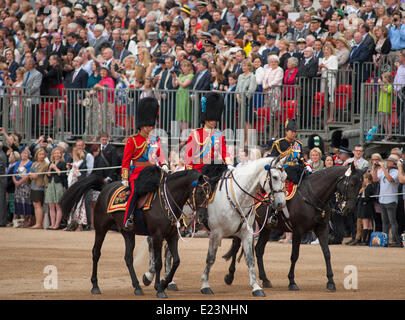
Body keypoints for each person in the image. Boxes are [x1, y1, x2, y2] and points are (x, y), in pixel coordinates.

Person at [184, 92, 233, 226]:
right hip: (199, 170)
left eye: (215, 119)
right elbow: (188, 155)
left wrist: (230, 164)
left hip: (215, 170)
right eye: (211, 119)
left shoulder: (219, 135)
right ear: (205, 118)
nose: (214, 121)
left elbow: (224, 153)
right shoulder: (196, 134)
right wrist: (189, 171)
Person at [121, 97, 169, 231]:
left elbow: (160, 155)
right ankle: (128, 218)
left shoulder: (155, 139)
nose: (151, 128)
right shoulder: (132, 140)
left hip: (154, 171)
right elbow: (125, 161)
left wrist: (164, 164)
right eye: (149, 125)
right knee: (134, 192)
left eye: (152, 125)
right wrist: (125, 178)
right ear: (141, 125)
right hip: (138, 172)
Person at [269, 119, 311, 225]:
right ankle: (273, 212)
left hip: (296, 170)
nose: (293, 134)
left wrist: (307, 165)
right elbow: (274, 160)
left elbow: (301, 158)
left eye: (295, 132)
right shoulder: (279, 143)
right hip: (283, 171)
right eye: (291, 131)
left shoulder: (298, 144)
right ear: (286, 131)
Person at [371, 154, 403, 247]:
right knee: (384, 222)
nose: (387, 162)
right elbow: (375, 179)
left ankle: (395, 240)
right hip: (383, 199)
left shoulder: (395, 172)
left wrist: (383, 169)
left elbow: (390, 179)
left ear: (394, 163)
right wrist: (374, 169)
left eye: (389, 161)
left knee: (392, 221)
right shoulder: (384, 171)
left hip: (391, 200)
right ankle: (385, 239)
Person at [236, 59, 257, 145]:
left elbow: (251, 89)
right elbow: (237, 88)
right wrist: (237, 96)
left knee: (248, 121)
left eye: (245, 66)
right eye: (242, 65)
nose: (243, 67)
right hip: (240, 100)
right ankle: (243, 139)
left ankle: (248, 141)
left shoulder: (252, 76)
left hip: (248, 100)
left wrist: (244, 97)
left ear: (249, 67)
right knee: (242, 121)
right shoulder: (240, 76)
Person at [45, 147, 67, 230]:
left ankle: (57, 224)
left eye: (58, 153)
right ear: (53, 154)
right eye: (55, 153)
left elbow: (62, 175)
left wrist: (55, 168)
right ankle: (52, 224)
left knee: (58, 205)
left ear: (61, 154)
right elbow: (48, 175)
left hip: (59, 184)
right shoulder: (51, 163)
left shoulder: (62, 163)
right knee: (51, 205)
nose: (57, 154)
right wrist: (50, 168)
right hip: (51, 184)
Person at [28, 148, 49, 229]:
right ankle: (37, 222)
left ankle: (39, 223)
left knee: (38, 205)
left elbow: (36, 175)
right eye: (40, 154)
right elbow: (30, 174)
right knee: (35, 205)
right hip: (33, 185)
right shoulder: (34, 163)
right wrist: (30, 175)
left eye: (43, 154)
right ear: (37, 155)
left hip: (39, 186)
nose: (41, 156)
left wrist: (30, 175)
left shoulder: (45, 164)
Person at [13, 148, 33, 228]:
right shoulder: (18, 163)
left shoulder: (30, 163)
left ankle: (27, 219)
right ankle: (21, 219)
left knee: (26, 201)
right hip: (17, 186)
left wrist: (20, 182)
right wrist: (16, 182)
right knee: (18, 201)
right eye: (22, 153)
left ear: (28, 155)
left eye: (25, 154)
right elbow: (14, 173)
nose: (24, 155)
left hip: (25, 185)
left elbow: (28, 174)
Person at [319, 43, 338, 124]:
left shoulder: (334, 58)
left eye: (327, 49)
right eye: (325, 49)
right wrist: (320, 68)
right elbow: (321, 71)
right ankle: (326, 117)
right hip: (323, 79)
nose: (326, 51)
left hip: (330, 78)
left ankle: (331, 117)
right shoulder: (323, 59)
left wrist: (326, 67)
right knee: (324, 98)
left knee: (331, 98)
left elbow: (335, 70)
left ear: (331, 50)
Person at [174, 59, 194, 130]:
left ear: (189, 67)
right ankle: (182, 131)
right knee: (180, 114)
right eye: (182, 66)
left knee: (185, 113)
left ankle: (186, 132)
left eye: (185, 66)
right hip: (179, 95)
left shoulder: (191, 75)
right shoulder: (180, 75)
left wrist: (177, 79)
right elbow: (174, 85)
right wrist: (174, 78)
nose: (183, 68)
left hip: (185, 95)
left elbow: (183, 85)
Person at [357, 172, 375, 246]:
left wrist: (360, 197)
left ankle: (364, 240)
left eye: (364, 178)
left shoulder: (368, 187)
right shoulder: (369, 187)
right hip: (368, 207)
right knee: (369, 225)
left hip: (366, 208)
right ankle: (368, 240)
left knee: (366, 225)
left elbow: (367, 198)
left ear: (367, 179)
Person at [378, 72, 394, 141]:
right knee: (384, 121)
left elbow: (386, 91)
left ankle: (389, 134)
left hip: (386, 105)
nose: (382, 79)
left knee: (387, 120)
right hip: (382, 105)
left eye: (383, 78)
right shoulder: (384, 85)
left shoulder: (390, 85)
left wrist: (381, 84)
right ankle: (387, 134)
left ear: (387, 78)